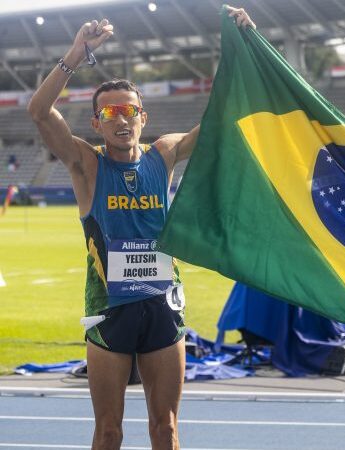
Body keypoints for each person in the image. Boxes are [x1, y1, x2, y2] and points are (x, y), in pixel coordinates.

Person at [27, 7, 254, 449]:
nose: (121, 118)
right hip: (110, 309)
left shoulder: (163, 155)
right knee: (109, 430)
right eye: (110, 111)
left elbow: (220, 121)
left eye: (129, 110)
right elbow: (39, 112)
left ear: (142, 118)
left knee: (165, 427)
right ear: (97, 123)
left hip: (162, 306)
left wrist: (240, 50)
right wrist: (76, 53)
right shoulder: (86, 165)